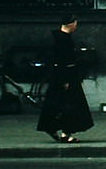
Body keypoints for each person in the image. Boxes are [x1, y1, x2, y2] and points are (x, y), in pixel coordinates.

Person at [37, 15, 94, 143]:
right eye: (75, 23)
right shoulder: (64, 40)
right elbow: (63, 60)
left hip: (60, 75)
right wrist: (65, 80)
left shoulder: (58, 38)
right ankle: (66, 133)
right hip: (67, 76)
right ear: (71, 24)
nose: (76, 26)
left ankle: (55, 128)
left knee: (58, 105)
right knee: (70, 105)